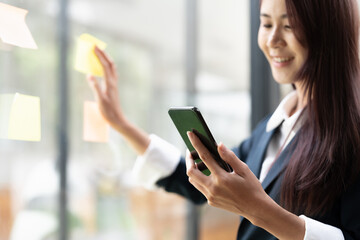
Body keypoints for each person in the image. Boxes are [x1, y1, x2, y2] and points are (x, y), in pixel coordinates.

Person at [86, 0, 360, 239]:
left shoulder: (353, 132)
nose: (274, 39)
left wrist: (257, 209)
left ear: (329, 31)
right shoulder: (271, 128)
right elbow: (203, 179)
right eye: (266, 24)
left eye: (289, 26)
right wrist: (121, 123)